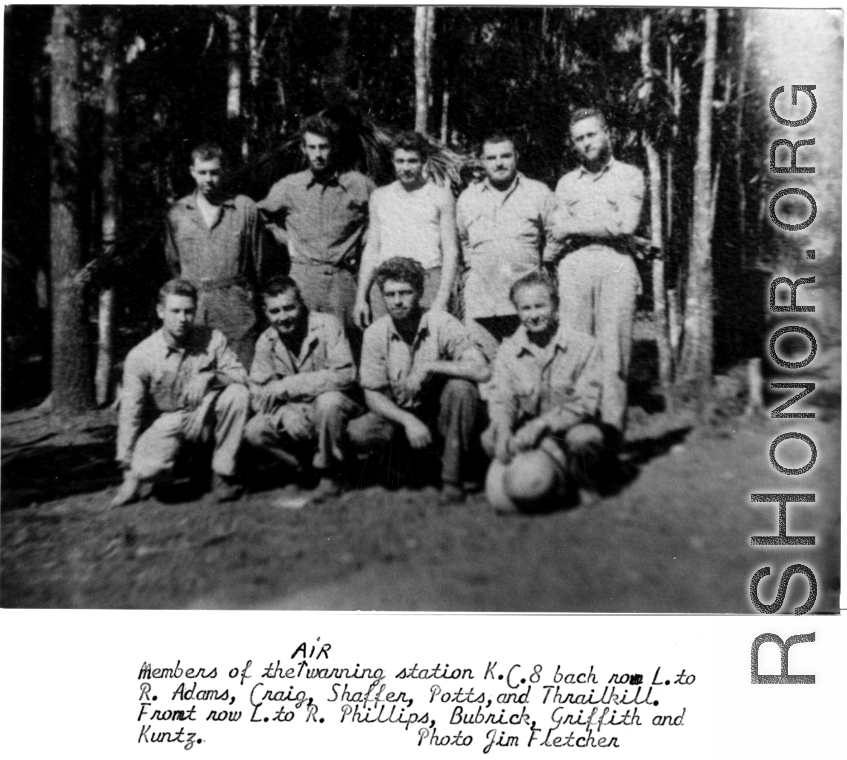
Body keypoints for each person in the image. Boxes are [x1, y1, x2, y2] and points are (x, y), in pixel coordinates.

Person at [348, 257, 489, 504]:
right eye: (390, 294)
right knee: (359, 431)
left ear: (420, 292)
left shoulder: (441, 322)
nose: (398, 301)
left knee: (462, 388)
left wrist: (431, 366)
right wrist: (408, 420)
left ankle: (452, 479)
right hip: (403, 420)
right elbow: (372, 394)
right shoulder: (375, 333)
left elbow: (482, 370)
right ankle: (409, 474)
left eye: (405, 292)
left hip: (440, 418)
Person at [549, 108, 645, 442]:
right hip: (574, 267)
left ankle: (611, 442)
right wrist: (603, 225)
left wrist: (575, 227)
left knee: (614, 359)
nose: (586, 143)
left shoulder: (630, 175)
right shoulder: (565, 183)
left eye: (591, 134)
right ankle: (576, 442)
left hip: (616, 265)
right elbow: (556, 231)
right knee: (575, 354)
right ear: (573, 144)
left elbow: (626, 225)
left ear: (607, 133)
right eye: (579, 138)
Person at [112, 279, 250, 507]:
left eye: (188, 311)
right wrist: (128, 472)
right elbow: (130, 414)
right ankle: (177, 467)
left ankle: (222, 474)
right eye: (175, 311)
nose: (182, 319)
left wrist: (210, 377)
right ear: (160, 311)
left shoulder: (212, 339)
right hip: (168, 421)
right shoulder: (141, 355)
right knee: (147, 469)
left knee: (237, 394)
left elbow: (242, 377)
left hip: (206, 414)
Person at [481, 271, 605, 513]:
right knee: (491, 438)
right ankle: (539, 481)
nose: (534, 315)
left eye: (540, 306)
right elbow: (502, 397)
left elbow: (586, 402)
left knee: (586, 438)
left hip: (567, 432)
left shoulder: (585, 347)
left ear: (555, 305)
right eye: (525, 308)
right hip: (527, 436)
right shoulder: (508, 351)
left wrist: (541, 425)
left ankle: (581, 482)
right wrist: (504, 427)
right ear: (516, 311)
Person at [244, 276, 361, 499]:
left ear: (302, 304)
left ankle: (330, 474)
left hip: (335, 409)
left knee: (328, 402)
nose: (283, 317)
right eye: (275, 311)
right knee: (255, 430)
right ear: (265, 312)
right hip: (296, 413)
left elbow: (346, 375)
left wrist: (287, 385)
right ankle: (300, 468)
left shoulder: (327, 325)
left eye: (289, 308)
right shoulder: (265, 341)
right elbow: (258, 393)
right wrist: (284, 414)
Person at [257, 114, 375, 335]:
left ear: (335, 147)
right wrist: (281, 235)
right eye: (312, 147)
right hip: (303, 279)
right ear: (303, 148)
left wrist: (365, 240)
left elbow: (382, 217)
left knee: (346, 341)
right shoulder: (289, 186)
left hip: (343, 279)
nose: (318, 154)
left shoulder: (358, 184)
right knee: (302, 338)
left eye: (324, 147)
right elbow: (258, 215)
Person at [457, 133, 560, 361]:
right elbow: (465, 242)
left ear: (517, 157)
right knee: (486, 373)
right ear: (482, 162)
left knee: (530, 366)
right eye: (491, 158)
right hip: (482, 301)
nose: (499, 163)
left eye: (505, 156)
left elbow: (556, 234)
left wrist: (545, 264)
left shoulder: (538, 192)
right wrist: (471, 270)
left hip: (527, 302)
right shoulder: (467, 198)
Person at [165, 142, 264, 367]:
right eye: (202, 172)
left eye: (214, 172)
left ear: (224, 171)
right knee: (196, 375)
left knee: (241, 373)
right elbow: (173, 264)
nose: (208, 179)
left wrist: (248, 301)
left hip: (235, 309)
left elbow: (258, 265)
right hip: (195, 310)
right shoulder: (178, 213)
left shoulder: (244, 208)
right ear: (192, 172)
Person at [353, 131, 460, 328]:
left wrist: (442, 297)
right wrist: (361, 298)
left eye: (413, 161)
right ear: (393, 161)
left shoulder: (440, 196)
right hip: (387, 284)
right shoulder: (380, 196)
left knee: (428, 347)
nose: (406, 168)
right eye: (400, 161)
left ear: (424, 161)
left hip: (428, 282)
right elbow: (372, 249)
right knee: (388, 346)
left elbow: (451, 251)